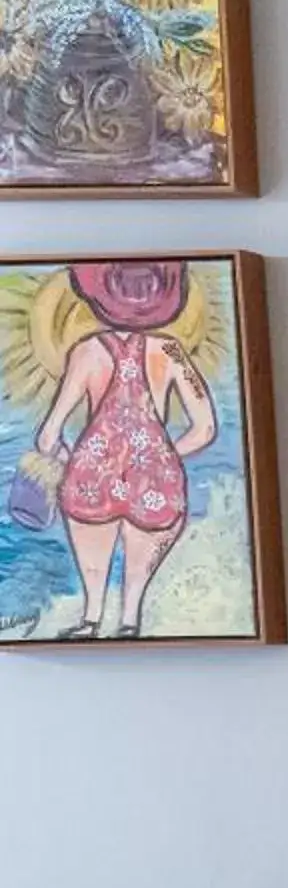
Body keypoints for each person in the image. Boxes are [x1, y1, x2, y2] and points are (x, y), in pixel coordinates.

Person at [24, 260, 216, 640]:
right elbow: (206, 428)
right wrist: (162, 456)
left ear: (98, 298)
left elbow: (48, 436)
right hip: (155, 478)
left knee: (94, 577)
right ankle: (130, 624)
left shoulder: (86, 351)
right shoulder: (172, 352)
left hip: (91, 475)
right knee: (137, 584)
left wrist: (71, 460)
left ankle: (91, 621)